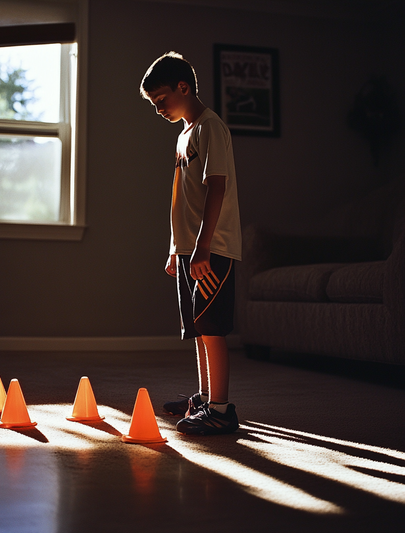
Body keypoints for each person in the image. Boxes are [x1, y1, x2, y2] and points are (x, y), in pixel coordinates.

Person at [140, 52, 242, 436]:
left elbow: (217, 187)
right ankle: (203, 399)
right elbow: (180, 197)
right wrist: (175, 247)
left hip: (211, 248)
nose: (158, 109)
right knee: (198, 328)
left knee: (212, 327)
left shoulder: (209, 127)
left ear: (183, 87)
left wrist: (202, 246)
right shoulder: (183, 134)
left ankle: (221, 409)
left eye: (161, 99)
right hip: (188, 248)